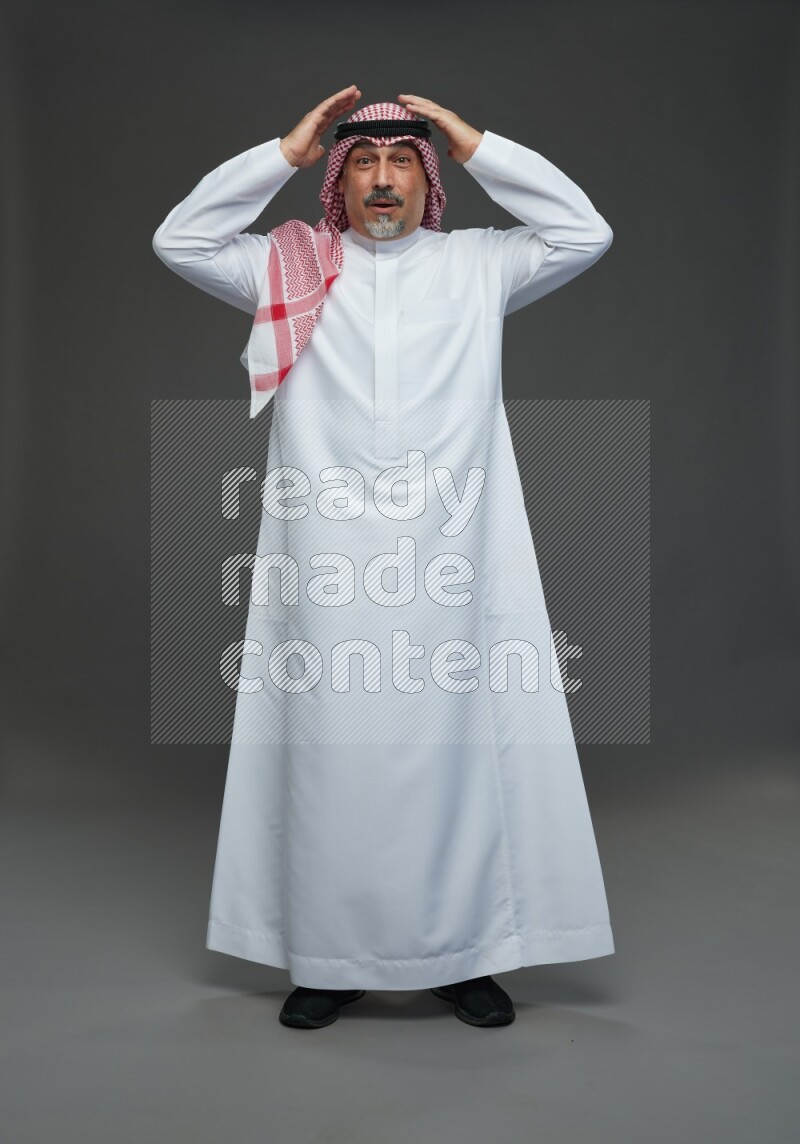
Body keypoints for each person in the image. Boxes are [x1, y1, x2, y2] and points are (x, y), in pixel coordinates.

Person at [152, 87, 615, 1030]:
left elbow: (583, 231)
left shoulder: (481, 264)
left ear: (429, 180)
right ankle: (327, 956)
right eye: (362, 163)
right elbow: (182, 241)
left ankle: (467, 954)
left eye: (404, 160)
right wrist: (283, 150)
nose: (383, 179)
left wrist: (472, 138)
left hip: (457, 556)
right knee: (330, 750)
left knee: (457, 751)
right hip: (326, 562)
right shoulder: (291, 266)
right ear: (339, 183)